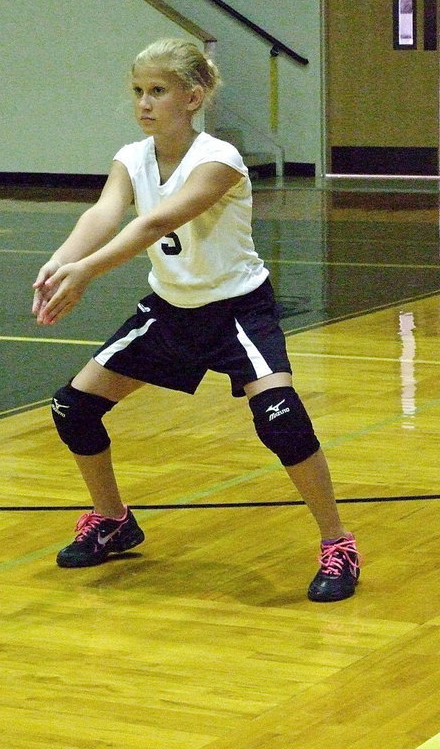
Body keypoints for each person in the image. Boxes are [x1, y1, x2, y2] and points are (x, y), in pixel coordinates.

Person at [32, 38, 360, 602]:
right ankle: (113, 520)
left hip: (237, 311)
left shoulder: (219, 160)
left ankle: (338, 543)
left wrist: (87, 272)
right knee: (73, 407)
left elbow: (154, 224)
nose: (144, 103)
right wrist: (61, 262)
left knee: (281, 421)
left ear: (193, 96)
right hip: (170, 313)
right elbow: (105, 213)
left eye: (157, 91)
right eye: (138, 91)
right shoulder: (131, 157)